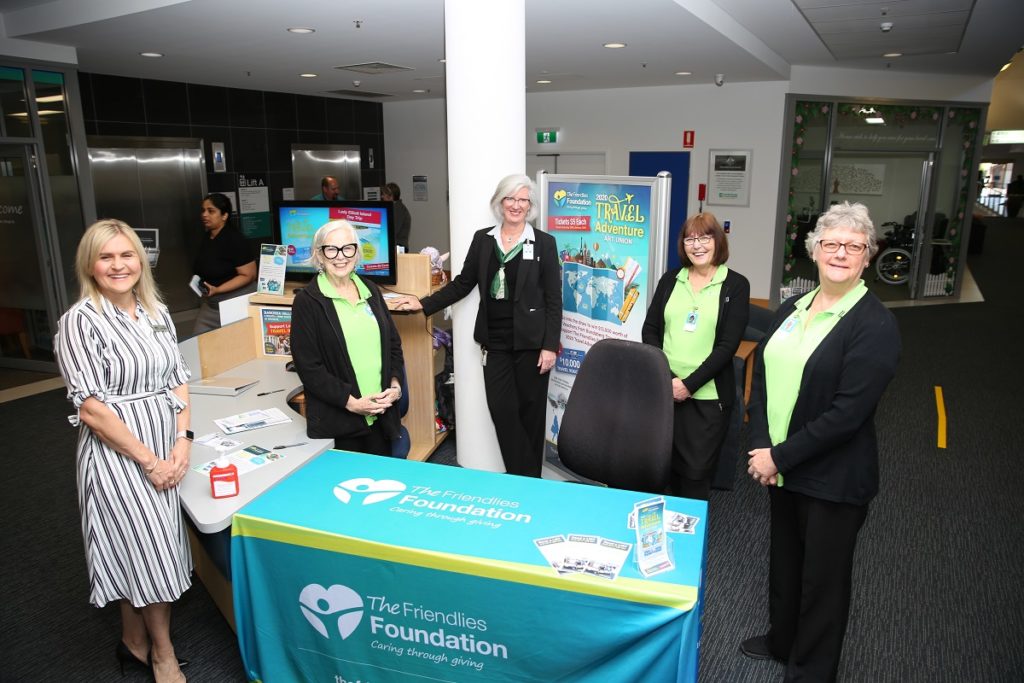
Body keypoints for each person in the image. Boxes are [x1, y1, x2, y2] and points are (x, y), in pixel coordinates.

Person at [741, 202, 900, 681]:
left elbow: (846, 416)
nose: (840, 253)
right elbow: (763, 378)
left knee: (822, 583)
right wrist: (760, 447)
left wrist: (777, 456)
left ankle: (811, 670)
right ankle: (782, 640)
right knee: (785, 564)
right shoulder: (793, 307)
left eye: (853, 246)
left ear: (867, 256)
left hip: (833, 475)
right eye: (831, 243)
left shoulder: (874, 325)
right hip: (781, 465)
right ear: (814, 251)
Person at [55, 219, 193, 683]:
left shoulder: (156, 311)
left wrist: (182, 441)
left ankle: (131, 642)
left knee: (141, 547)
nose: (118, 266)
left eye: (126, 255)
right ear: (89, 265)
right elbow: (91, 409)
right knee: (150, 550)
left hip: (164, 445)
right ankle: (162, 653)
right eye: (106, 257)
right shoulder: (79, 322)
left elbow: (178, 380)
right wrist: (150, 460)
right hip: (118, 455)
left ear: (141, 259)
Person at [392, 174, 561, 477]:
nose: (516, 205)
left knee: (531, 417)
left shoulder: (544, 243)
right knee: (503, 412)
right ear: (500, 202)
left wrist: (550, 345)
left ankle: (527, 483)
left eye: (523, 200)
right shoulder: (483, 240)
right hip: (494, 342)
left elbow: (553, 299)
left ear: (530, 206)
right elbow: (463, 283)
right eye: (511, 198)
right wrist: (424, 303)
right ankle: (528, 480)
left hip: (533, 344)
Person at [642, 212, 749, 500]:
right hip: (665, 391)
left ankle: (687, 538)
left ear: (718, 241)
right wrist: (670, 380)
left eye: (705, 237)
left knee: (694, 476)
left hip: (708, 399)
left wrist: (688, 384)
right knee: (660, 470)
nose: (697, 245)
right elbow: (650, 330)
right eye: (690, 238)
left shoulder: (736, 286)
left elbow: (727, 346)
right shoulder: (669, 280)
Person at [290, 220, 406, 455]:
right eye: (331, 249)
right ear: (319, 255)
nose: (340, 256)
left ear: (357, 252)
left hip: (381, 417)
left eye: (347, 248)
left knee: (382, 485)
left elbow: (393, 344)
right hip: (342, 423)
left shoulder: (370, 289)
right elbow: (309, 368)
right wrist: (352, 403)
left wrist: (395, 384)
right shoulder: (308, 302)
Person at [192, 193, 256, 335]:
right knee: (199, 341)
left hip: (234, 303)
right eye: (203, 210)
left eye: (211, 211)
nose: (205, 215)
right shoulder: (208, 237)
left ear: (224, 215)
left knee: (233, 346)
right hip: (211, 304)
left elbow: (249, 275)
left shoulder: (235, 240)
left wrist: (218, 289)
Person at [382, 182, 412, 251]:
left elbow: (393, 230)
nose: (382, 197)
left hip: (399, 247)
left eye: (384, 194)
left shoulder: (398, 209)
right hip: (397, 246)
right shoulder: (396, 207)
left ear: (391, 196)